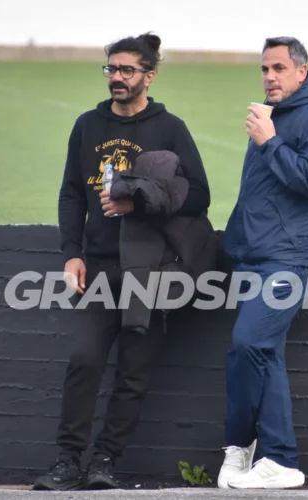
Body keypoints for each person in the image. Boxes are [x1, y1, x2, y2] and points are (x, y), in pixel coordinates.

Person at [32, 33, 211, 491]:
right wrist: (71, 253)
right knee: (84, 361)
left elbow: (199, 196)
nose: (117, 77)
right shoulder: (88, 125)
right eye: (111, 68)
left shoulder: (169, 128)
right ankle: (67, 462)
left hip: (148, 271)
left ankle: (105, 462)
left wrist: (139, 204)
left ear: (149, 76)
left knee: (134, 371)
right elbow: (72, 193)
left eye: (127, 70)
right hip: (98, 266)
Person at [217, 36, 308, 489]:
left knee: (250, 342)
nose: (269, 77)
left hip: (290, 259)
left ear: (301, 72)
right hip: (255, 256)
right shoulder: (272, 116)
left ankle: (267, 453)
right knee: (261, 353)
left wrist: (270, 143)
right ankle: (259, 453)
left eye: (279, 68)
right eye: (264, 69)